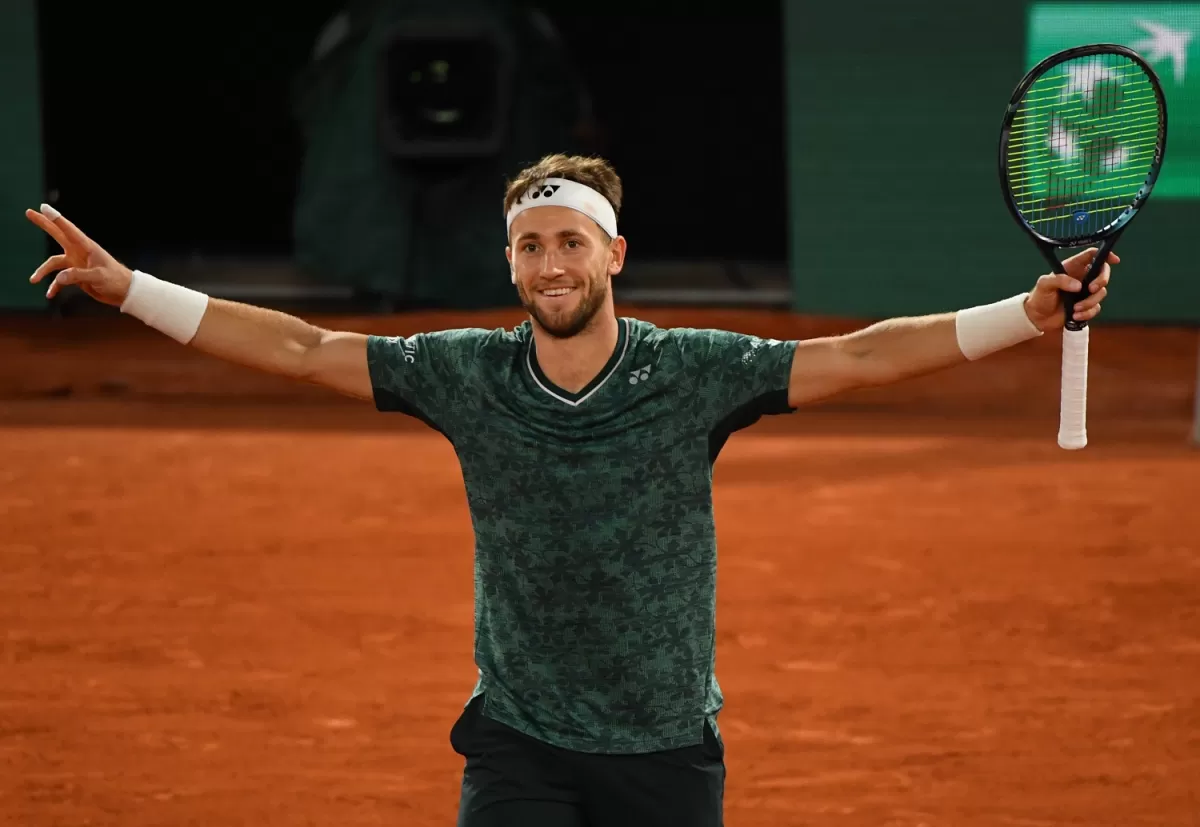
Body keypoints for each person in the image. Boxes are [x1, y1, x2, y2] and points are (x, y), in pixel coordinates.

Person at [25, 153, 1114, 827]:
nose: (551, 262)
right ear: (510, 263)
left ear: (614, 254)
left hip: (664, 747)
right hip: (520, 740)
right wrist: (132, 291)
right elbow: (307, 346)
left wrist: (1025, 314)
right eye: (530, 244)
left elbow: (865, 355)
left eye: (571, 242)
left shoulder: (694, 372)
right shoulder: (462, 372)